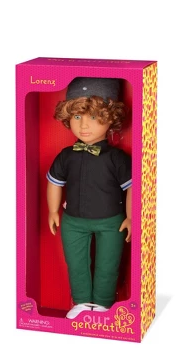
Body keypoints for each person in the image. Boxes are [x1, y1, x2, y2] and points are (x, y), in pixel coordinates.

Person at [46, 77, 132, 319]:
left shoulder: (117, 159)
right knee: (76, 264)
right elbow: (54, 182)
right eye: (77, 116)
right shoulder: (66, 156)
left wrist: (132, 217)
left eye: (94, 117)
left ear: (111, 118)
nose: (84, 125)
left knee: (108, 263)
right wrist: (52, 211)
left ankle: (103, 303)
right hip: (73, 221)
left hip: (111, 221)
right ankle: (82, 302)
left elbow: (132, 188)